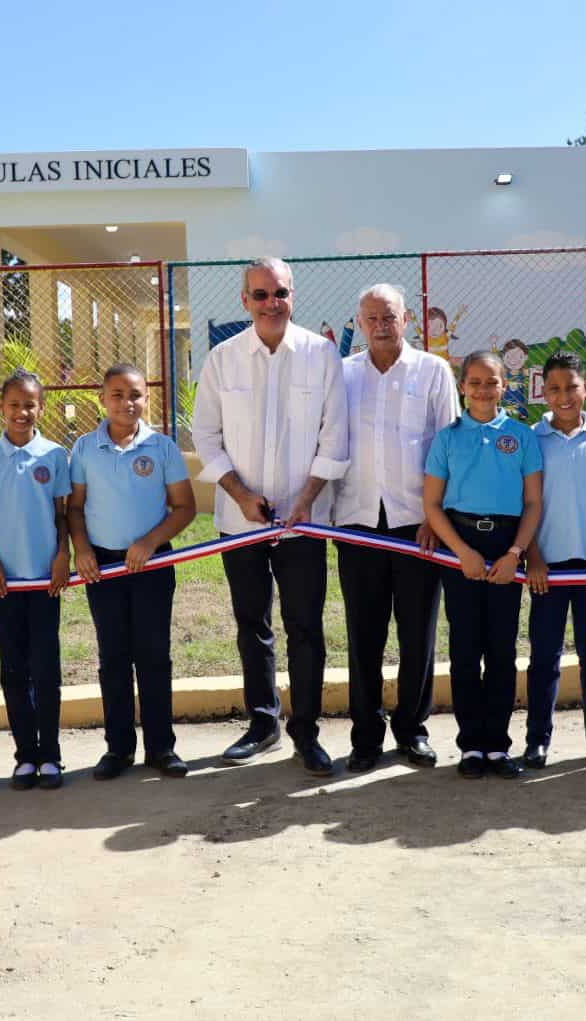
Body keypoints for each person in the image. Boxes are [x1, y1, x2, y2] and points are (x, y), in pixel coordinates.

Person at [192, 257, 349, 775]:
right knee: (251, 625)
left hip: (304, 522)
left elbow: (334, 436)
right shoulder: (221, 359)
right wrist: (239, 494)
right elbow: (206, 438)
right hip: (241, 523)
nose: (270, 303)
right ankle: (263, 724)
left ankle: (306, 731)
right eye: (259, 295)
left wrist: (305, 500)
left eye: (279, 293)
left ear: (292, 295)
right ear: (244, 301)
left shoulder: (321, 354)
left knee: (305, 628)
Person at [333, 284, 457, 773]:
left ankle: (413, 730)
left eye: (389, 316)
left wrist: (435, 517)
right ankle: (365, 736)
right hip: (358, 523)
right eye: (371, 317)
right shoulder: (341, 375)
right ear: (359, 323)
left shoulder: (433, 371)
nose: (380, 324)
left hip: (416, 524)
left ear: (407, 319)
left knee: (417, 633)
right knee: (363, 634)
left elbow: (448, 446)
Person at [69, 364, 197, 780]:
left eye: (136, 394)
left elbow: (184, 507)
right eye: (118, 394)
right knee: (114, 658)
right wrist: (83, 548)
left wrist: (149, 542)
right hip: (103, 567)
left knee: (154, 656)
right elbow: (74, 507)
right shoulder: (85, 449)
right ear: (103, 399)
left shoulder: (162, 448)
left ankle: (161, 748)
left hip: (152, 564)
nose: (128, 402)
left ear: (147, 398)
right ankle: (118, 749)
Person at [423, 351, 543, 779]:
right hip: (463, 547)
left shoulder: (521, 436)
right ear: (462, 387)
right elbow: (433, 506)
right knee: (465, 650)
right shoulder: (448, 438)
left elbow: (532, 503)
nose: (482, 390)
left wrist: (515, 553)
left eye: (491, 382)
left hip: (506, 547)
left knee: (502, 650)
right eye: (474, 382)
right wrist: (461, 552)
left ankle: (498, 745)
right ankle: (471, 745)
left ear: (503, 385)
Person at [0, 370, 71, 790]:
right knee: (14, 670)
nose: (21, 412)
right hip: (5, 584)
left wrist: (62, 554)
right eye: (14, 404)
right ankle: (25, 756)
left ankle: (51, 756)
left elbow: (64, 514)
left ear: (40, 408)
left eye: (30, 404)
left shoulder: (54, 456)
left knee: (46, 668)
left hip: (45, 582)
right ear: (1, 408)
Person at [523, 351, 586, 770]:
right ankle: (537, 741)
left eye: (572, 387)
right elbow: (524, 504)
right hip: (547, 570)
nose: (564, 396)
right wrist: (534, 558)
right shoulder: (532, 438)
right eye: (555, 389)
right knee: (544, 656)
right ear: (543, 393)